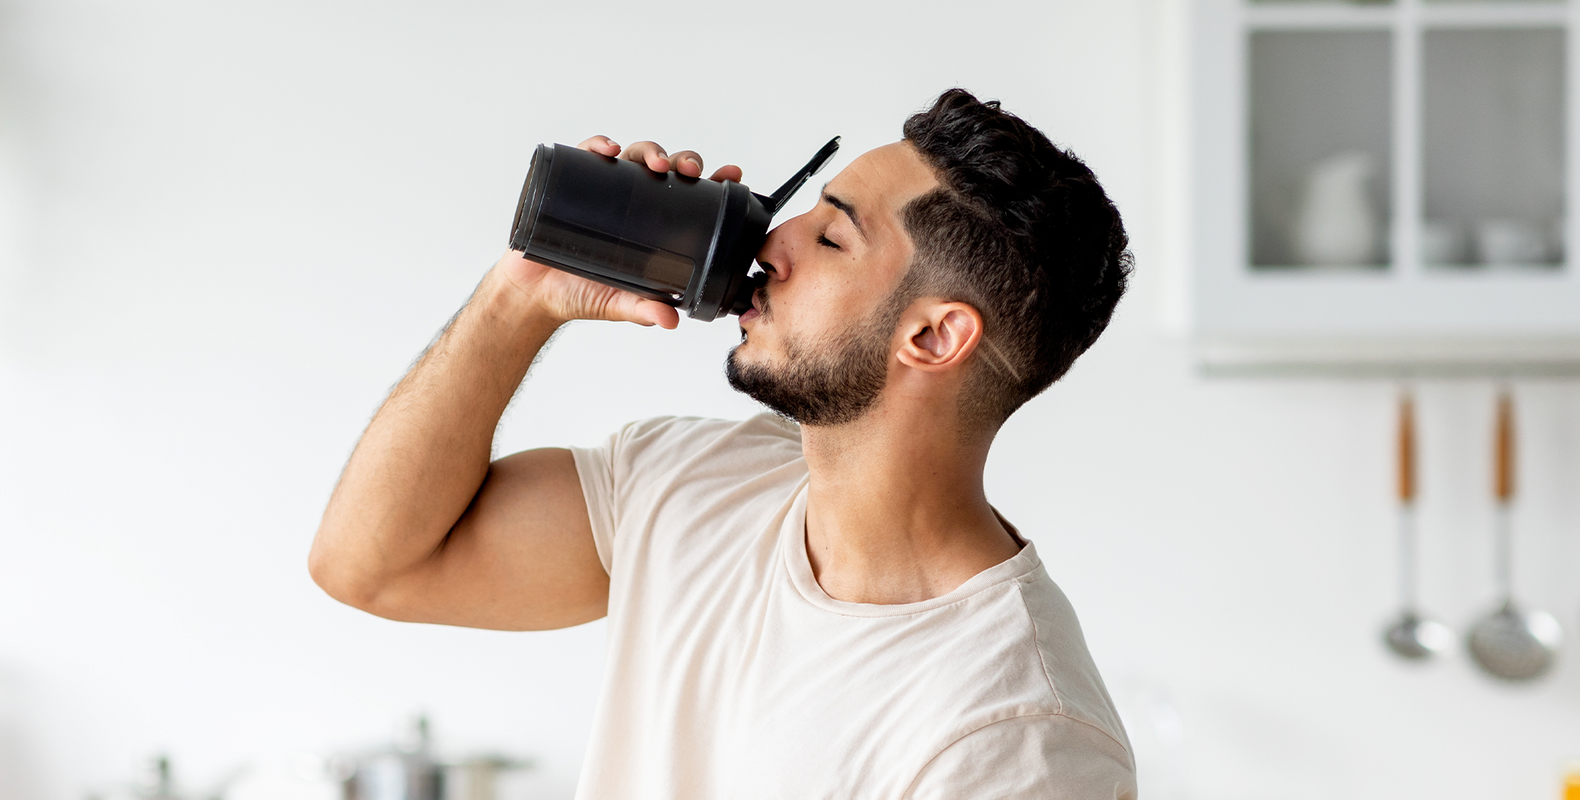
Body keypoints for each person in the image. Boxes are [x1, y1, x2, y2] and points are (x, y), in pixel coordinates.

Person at [309, 88, 1135, 798]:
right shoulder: (694, 484)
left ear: (931, 336)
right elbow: (373, 565)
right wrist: (522, 294)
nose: (772, 245)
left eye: (831, 237)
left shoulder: (1017, 734)